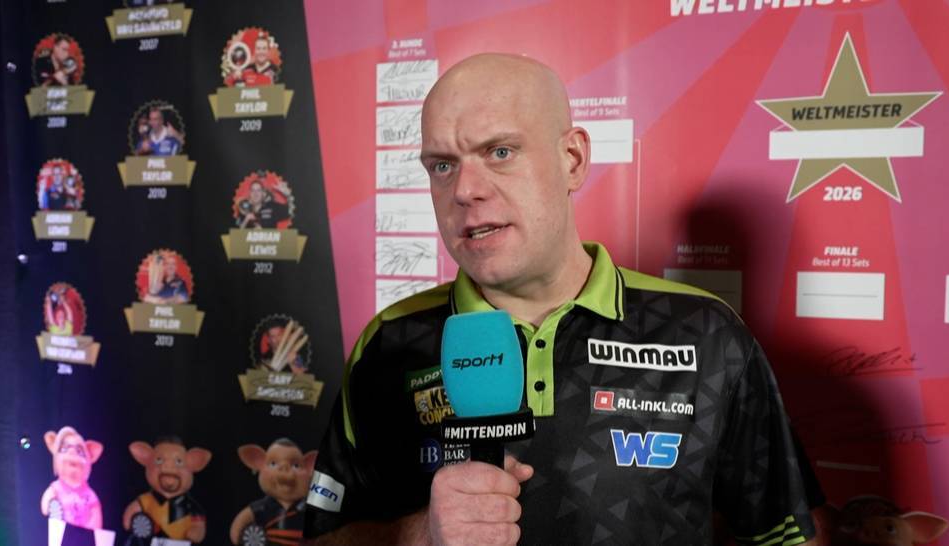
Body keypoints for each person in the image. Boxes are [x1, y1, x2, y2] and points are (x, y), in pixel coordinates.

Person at [303, 54, 824, 545]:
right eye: (442, 165)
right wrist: (417, 535)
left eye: (500, 152)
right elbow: (323, 537)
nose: (464, 189)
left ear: (572, 159)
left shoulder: (705, 332)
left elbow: (789, 534)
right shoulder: (389, 343)